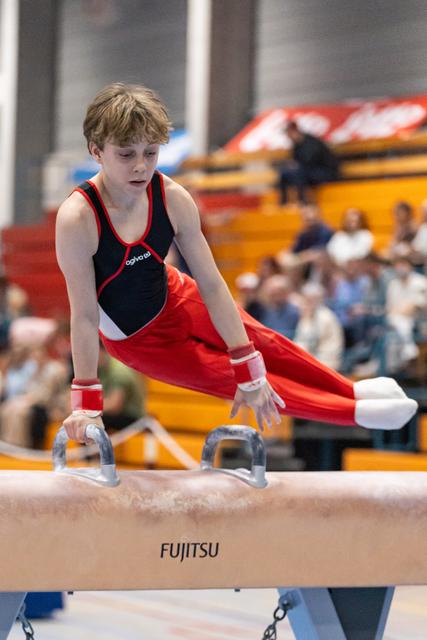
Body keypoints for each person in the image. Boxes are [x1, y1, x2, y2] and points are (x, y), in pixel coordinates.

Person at [55, 83, 417, 444]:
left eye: (151, 153)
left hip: (177, 295)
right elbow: (84, 315)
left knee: (266, 347)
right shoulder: (78, 218)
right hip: (139, 341)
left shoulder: (172, 197)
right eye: (126, 154)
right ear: (96, 150)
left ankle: (353, 391)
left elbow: (212, 285)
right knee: (229, 378)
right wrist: (87, 402)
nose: (141, 166)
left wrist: (247, 361)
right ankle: (356, 412)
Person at [278, 121, 339, 205]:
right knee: (285, 172)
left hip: (326, 172)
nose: (288, 136)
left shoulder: (311, 142)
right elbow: (297, 162)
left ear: (295, 131)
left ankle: (302, 201)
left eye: (289, 133)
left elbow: (310, 161)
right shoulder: (296, 145)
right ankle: (283, 202)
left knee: (299, 173)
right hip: (309, 171)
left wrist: (295, 165)